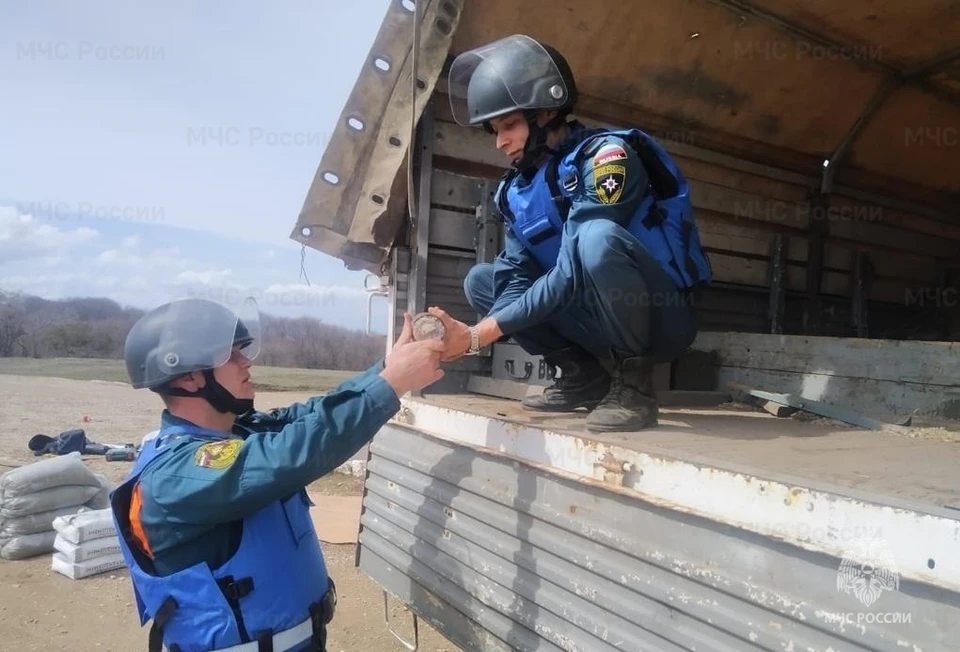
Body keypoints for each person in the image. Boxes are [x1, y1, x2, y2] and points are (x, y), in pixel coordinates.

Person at [109, 297, 445, 652]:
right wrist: (391, 384)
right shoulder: (174, 476)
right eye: (230, 355)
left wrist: (388, 367)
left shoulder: (237, 433)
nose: (246, 362)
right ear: (190, 377)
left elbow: (314, 415)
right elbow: (296, 450)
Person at [429, 34, 713, 432]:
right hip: (592, 322)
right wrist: (476, 333)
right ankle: (584, 379)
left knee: (595, 238)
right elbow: (513, 278)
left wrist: (480, 334)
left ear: (545, 113)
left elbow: (572, 269)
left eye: (509, 124)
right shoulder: (515, 191)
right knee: (483, 281)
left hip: (660, 321)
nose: (500, 141)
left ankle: (635, 390)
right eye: (494, 129)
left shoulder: (608, 159)